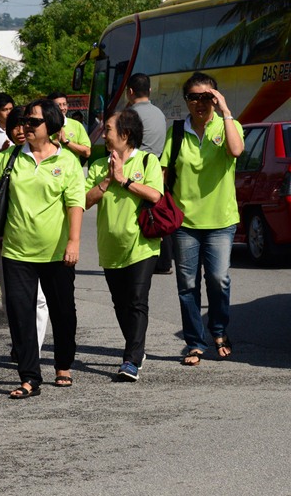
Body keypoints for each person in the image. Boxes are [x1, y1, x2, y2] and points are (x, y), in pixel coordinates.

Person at [0, 99, 84, 399]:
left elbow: (75, 204)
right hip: (16, 252)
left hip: (57, 253)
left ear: (51, 126)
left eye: (34, 122)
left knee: (63, 312)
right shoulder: (9, 158)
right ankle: (30, 377)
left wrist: (73, 242)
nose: (26, 127)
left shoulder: (67, 161)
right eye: (24, 121)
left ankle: (63, 364)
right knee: (20, 315)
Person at [162, 72, 244, 366]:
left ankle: (219, 332)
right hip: (184, 223)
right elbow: (164, 174)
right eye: (194, 97)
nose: (200, 103)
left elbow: (236, 150)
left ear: (216, 98)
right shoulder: (177, 132)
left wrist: (226, 111)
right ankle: (195, 343)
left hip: (221, 220)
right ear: (186, 100)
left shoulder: (228, 126)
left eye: (207, 97)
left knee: (218, 279)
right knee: (187, 284)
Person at [85, 110, 163, 382]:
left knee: (137, 300)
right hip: (110, 247)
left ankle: (131, 359)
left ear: (125, 134)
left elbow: (155, 195)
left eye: (108, 129)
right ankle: (136, 347)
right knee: (121, 304)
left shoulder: (148, 161)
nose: (103, 135)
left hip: (142, 245)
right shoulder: (98, 166)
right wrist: (108, 179)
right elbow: (83, 201)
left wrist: (125, 180)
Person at [0, 107, 49, 359]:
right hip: (6, 243)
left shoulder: (51, 156)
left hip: (42, 244)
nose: (22, 130)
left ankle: (32, 349)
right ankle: (21, 341)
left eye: (27, 124)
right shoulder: (2, 159)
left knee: (40, 299)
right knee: (12, 299)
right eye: (16, 125)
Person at [125, 73, 172, 274]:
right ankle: (165, 261)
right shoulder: (159, 113)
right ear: (150, 90)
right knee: (159, 211)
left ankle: (140, 259)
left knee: (139, 215)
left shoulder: (130, 115)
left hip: (138, 168)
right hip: (157, 167)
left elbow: (126, 143)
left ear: (130, 91)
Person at [48, 92, 92, 162]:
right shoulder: (44, 126)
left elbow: (87, 152)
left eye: (64, 104)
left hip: (74, 169)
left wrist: (66, 142)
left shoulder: (77, 125)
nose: (62, 108)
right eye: (58, 105)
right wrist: (56, 140)